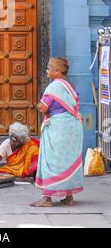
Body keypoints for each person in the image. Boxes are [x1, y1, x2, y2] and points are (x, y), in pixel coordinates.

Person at [31, 57, 84, 207]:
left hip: (58, 129)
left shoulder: (53, 87)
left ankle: (47, 199)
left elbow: (44, 108)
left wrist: (36, 104)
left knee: (52, 162)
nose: (46, 71)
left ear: (58, 71)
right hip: (72, 128)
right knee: (66, 161)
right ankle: (68, 198)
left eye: (49, 68)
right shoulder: (69, 85)